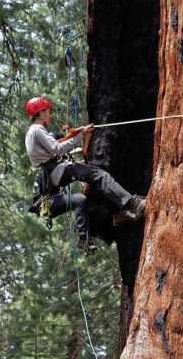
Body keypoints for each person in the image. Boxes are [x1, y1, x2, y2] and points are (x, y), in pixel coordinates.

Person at [24, 96, 145, 254]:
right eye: (47, 111)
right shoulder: (37, 130)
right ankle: (133, 203)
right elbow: (58, 149)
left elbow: (56, 144)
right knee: (98, 174)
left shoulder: (32, 133)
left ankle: (117, 212)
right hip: (56, 171)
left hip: (53, 172)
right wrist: (81, 136)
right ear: (40, 113)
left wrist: (74, 135)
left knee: (91, 182)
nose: (50, 114)